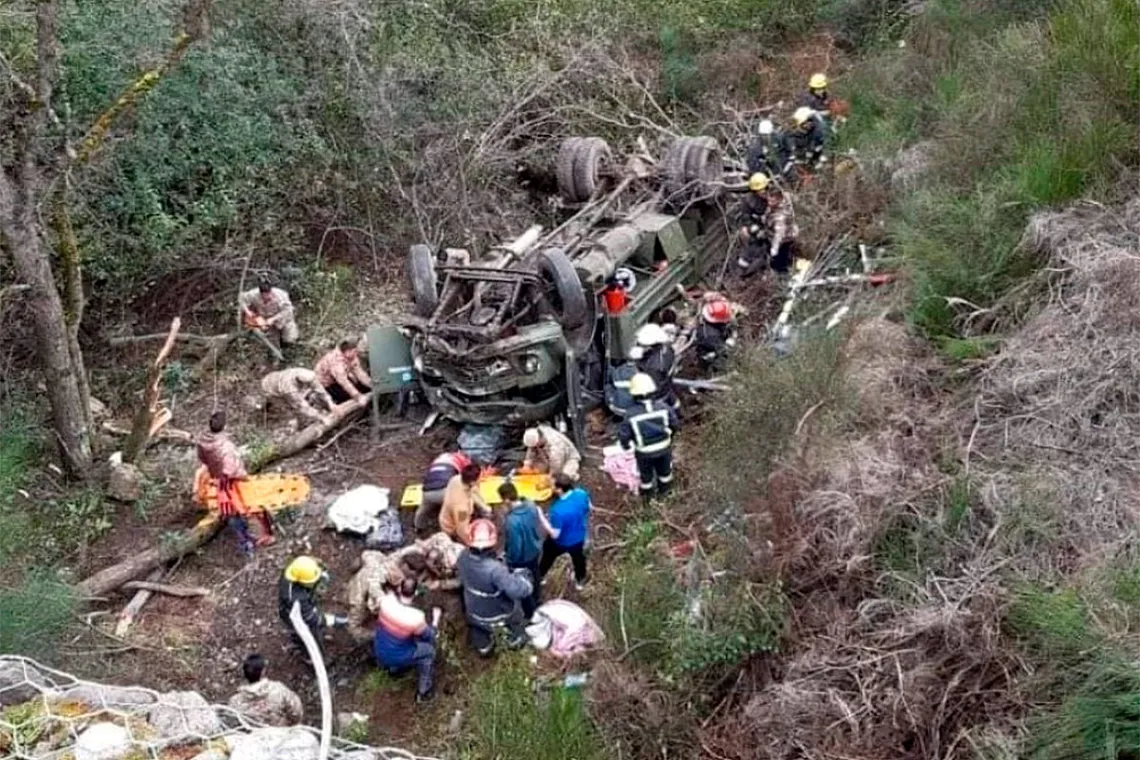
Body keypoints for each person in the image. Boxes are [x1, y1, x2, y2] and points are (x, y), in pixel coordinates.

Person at [196, 410, 273, 554]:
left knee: (231, 512)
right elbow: (230, 469)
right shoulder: (226, 447)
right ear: (224, 427)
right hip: (234, 482)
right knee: (252, 507)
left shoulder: (202, 440)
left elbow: (202, 459)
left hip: (218, 481)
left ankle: (245, 543)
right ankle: (261, 537)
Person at [456, 519, 534, 656]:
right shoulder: (495, 570)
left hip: (474, 611)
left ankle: (484, 648)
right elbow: (517, 591)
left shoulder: (463, 557)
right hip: (497, 613)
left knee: (479, 629)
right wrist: (525, 580)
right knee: (515, 619)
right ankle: (514, 641)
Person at [373, 579, 441, 705]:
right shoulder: (416, 617)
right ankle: (423, 692)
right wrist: (435, 620)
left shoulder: (386, 601)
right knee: (429, 652)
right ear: (415, 593)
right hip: (397, 655)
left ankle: (394, 671)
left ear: (399, 589)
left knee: (398, 639)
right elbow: (430, 636)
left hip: (379, 649)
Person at [620, 373, 680, 504]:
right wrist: (670, 437)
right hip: (664, 449)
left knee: (646, 479)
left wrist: (626, 446)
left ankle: (648, 502)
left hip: (644, 453)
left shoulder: (630, 414)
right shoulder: (663, 407)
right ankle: (666, 497)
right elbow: (675, 424)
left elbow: (624, 436)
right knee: (665, 475)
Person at [500, 482, 553, 618]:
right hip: (535, 549)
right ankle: (538, 597)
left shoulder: (512, 521)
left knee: (523, 585)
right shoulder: (530, 505)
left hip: (522, 558)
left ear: (506, 500)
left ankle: (531, 613)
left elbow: (516, 546)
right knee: (535, 575)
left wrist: (510, 560)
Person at [278, 555, 346, 657]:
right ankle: (310, 656)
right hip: (295, 617)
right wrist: (334, 620)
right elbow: (312, 618)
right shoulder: (296, 598)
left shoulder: (293, 569)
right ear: (302, 582)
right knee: (312, 638)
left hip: (299, 605)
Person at [537, 475, 591, 591]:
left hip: (560, 542)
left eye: (552, 485)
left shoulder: (557, 510)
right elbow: (588, 508)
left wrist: (541, 516)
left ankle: (540, 577)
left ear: (559, 489)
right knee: (579, 560)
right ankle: (580, 582)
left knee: (547, 558)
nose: (550, 486)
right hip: (578, 537)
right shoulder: (581, 493)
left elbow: (555, 534)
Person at [227, 653, 304, 727]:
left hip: (255, 739)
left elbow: (232, 726)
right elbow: (297, 712)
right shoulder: (279, 690)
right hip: (281, 737)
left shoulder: (235, 702)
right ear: (263, 672)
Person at [415, 450, 474, 536]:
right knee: (462, 504)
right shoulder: (462, 461)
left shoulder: (441, 458)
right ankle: (461, 527)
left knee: (423, 509)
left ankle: (418, 527)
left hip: (427, 490)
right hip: (443, 490)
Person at [260, 367, 336, 426]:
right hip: (269, 387)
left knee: (308, 396)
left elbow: (319, 388)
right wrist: (321, 417)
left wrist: (330, 403)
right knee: (288, 406)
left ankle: (267, 405)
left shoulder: (304, 373)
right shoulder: (290, 388)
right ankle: (267, 410)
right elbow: (302, 407)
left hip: (277, 377)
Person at [439, 463, 491, 545]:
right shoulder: (462, 509)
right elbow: (462, 530)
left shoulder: (456, 479)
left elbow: (473, 491)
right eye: (480, 477)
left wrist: (485, 507)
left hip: (447, 514)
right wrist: (472, 543)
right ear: (473, 482)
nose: (482, 479)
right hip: (452, 528)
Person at [239, 277, 298, 347]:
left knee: (290, 340)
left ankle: (288, 342)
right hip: (266, 320)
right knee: (272, 342)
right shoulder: (253, 294)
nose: (267, 296)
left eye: (268, 294)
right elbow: (241, 299)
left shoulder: (281, 296)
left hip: (283, 318)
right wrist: (247, 311)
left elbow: (287, 310)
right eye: (264, 295)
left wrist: (273, 319)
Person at [633, 323, 677, 410]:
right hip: (667, 385)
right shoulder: (667, 348)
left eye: (642, 344)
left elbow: (652, 388)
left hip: (657, 396)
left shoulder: (653, 366)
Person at [736, 173, 773, 277]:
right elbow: (746, 218)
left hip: (773, 227)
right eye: (760, 191)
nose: (764, 192)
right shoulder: (748, 201)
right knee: (753, 247)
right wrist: (755, 229)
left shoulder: (774, 195)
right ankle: (744, 272)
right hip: (757, 228)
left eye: (765, 189)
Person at [314, 339, 372, 405]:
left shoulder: (352, 356)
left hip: (339, 377)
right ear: (347, 351)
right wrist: (358, 396)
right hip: (327, 384)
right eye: (355, 351)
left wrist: (371, 384)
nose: (356, 354)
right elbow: (343, 381)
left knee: (364, 389)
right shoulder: (335, 361)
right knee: (349, 398)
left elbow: (360, 373)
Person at [694, 296, 737, 373]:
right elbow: (723, 350)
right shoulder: (711, 336)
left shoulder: (706, 324)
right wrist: (732, 339)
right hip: (711, 363)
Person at [764, 189, 800, 274]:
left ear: (779, 199)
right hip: (790, 230)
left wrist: (774, 249)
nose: (769, 203)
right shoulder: (786, 197)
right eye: (768, 199)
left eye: (772, 201)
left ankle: (782, 274)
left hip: (784, 239)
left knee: (779, 259)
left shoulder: (779, 216)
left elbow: (779, 234)